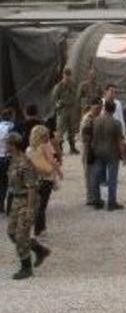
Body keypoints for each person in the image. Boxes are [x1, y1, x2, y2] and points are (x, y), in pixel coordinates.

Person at [6, 133, 50, 279]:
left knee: (21, 235)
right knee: (12, 232)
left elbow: (32, 187)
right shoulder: (12, 160)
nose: (5, 146)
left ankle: (26, 267)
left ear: (14, 145)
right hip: (17, 200)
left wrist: (31, 209)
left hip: (27, 200)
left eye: (7, 144)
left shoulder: (25, 163)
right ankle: (39, 249)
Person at [90, 100, 126, 211]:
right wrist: (124, 155)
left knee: (95, 177)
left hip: (98, 152)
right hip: (112, 153)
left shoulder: (95, 121)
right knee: (112, 179)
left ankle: (96, 201)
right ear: (114, 110)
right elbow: (120, 141)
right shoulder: (116, 123)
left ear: (104, 108)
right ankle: (111, 203)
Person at [28, 125, 62, 236]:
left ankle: (38, 227)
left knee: (37, 204)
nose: (48, 138)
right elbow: (52, 161)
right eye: (46, 136)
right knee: (42, 205)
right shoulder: (44, 147)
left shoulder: (28, 149)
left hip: (34, 178)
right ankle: (40, 229)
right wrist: (59, 172)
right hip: (46, 178)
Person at [51, 68, 80, 154]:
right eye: (66, 74)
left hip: (71, 109)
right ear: (63, 75)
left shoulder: (73, 85)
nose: (67, 76)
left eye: (69, 75)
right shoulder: (59, 86)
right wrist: (59, 105)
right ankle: (59, 147)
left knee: (72, 129)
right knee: (60, 130)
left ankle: (72, 147)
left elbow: (76, 95)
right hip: (63, 110)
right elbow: (54, 99)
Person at [79, 103, 102, 206]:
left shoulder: (97, 117)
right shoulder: (88, 119)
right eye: (96, 108)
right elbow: (86, 137)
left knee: (95, 174)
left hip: (94, 148)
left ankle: (95, 196)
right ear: (92, 107)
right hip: (88, 149)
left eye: (100, 108)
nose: (99, 110)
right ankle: (90, 198)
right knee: (89, 174)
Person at [0, 108, 14, 213]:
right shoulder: (12, 127)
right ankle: (10, 206)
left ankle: (0, 205)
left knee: (2, 183)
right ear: (11, 116)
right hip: (8, 158)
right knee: (11, 183)